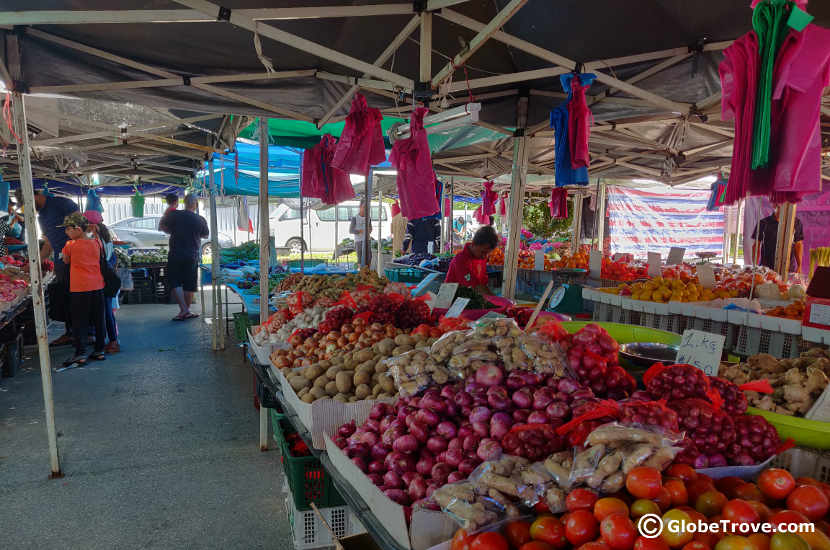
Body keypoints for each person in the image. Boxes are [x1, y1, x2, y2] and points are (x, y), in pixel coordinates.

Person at [59, 212, 106, 366]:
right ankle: (99, 350)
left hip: (80, 288)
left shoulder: (70, 245)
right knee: (99, 319)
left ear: (78, 229)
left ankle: (80, 354)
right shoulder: (96, 242)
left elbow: (66, 261)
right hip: (97, 285)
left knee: (80, 321)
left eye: (68, 229)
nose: (66, 232)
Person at [35, 190, 80, 346]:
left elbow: (81, 226)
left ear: (35, 195)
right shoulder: (41, 217)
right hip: (61, 264)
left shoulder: (61, 203)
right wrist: (36, 262)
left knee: (80, 299)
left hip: (77, 261)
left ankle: (87, 333)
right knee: (66, 299)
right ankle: (70, 333)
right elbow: (48, 244)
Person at [159, 194, 209, 321]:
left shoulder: (174, 215)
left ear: (184, 203)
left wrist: (173, 231)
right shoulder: (200, 219)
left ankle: (184, 310)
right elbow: (205, 235)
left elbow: (162, 227)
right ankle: (186, 311)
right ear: (195, 204)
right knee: (189, 283)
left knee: (175, 281)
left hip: (176, 253)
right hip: (192, 254)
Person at [86, 211, 120, 353]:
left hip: (103, 279)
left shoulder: (96, 239)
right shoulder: (104, 236)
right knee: (105, 311)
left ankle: (113, 341)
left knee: (106, 311)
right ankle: (106, 339)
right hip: (105, 278)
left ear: (92, 225)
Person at [445, 225, 499, 295]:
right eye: (483, 252)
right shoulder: (460, 259)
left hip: (470, 297)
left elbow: (482, 282)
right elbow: (474, 285)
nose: (484, 256)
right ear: (474, 244)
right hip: (451, 299)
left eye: (487, 253)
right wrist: (494, 299)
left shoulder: (481, 257)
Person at [752, 206, 805, 274]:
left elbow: (798, 245)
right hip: (766, 269)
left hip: (788, 269)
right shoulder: (763, 223)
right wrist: (755, 266)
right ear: (775, 205)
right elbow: (756, 246)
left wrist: (799, 265)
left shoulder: (796, 223)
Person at [349, 202, 372, 267]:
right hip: (358, 241)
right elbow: (351, 231)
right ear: (360, 207)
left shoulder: (368, 218)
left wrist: (369, 230)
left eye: (366, 208)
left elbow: (370, 228)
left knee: (369, 257)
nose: (365, 209)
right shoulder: (355, 218)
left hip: (367, 240)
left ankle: (368, 271)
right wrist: (359, 231)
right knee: (360, 258)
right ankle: (361, 272)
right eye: (364, 207)